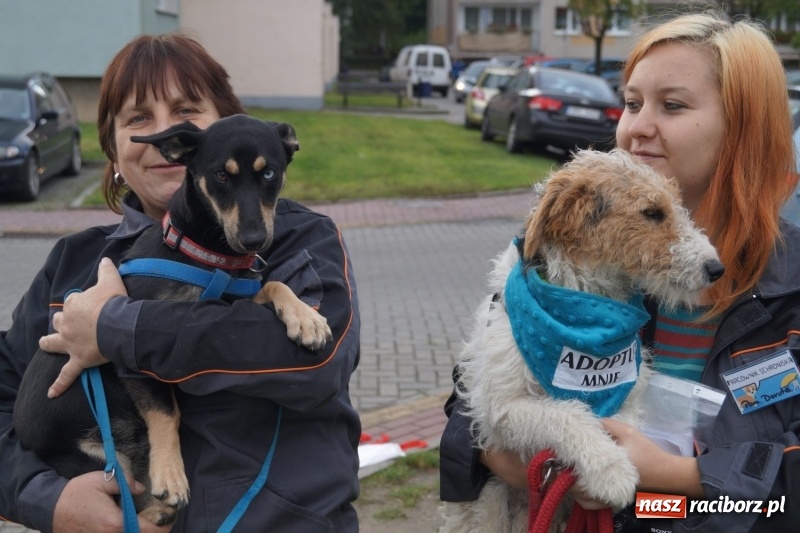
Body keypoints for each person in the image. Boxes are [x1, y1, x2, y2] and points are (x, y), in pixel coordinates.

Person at [439, 11, 799, 533]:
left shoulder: (791, 287)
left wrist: (678, 479)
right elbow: (468, 413)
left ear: (745, 128)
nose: (635, 129)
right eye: (631, 103)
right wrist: (508, 458)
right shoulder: (576, 262)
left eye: (672, 106)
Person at [0, 33, 361, 533]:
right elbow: (4, 401)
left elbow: (314, 360)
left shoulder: (300, 241)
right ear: (112, 144)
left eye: (186, 109)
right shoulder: (73, 261)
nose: (166, 136)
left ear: (228, 122)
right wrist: (51, 501)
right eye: (137, 118)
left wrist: (114, 329)